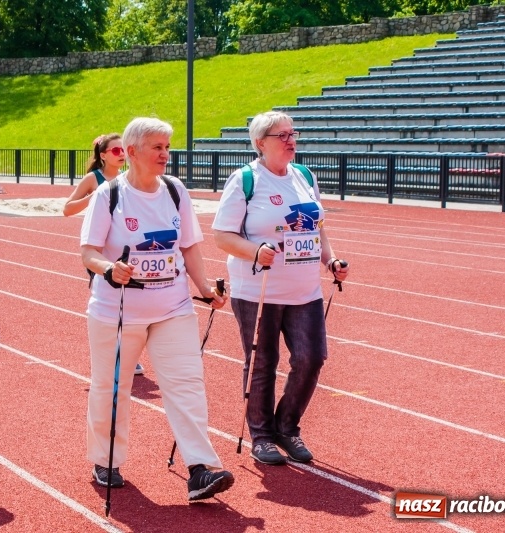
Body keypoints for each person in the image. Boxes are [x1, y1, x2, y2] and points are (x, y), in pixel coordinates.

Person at [80, 117, 235, 501]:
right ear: (132, 152)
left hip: (173, 307)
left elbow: (189, 247)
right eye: (157, 147)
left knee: (187, 385)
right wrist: (109, 268)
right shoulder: (109, 196)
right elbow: (88, 253)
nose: (166, 154)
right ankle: (107, 460)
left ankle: (200, 468)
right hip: (117, 312)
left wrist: (204, 286)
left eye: (168, 146)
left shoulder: (175, 190)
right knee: (112, 387)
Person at [212, 111, 349, 466]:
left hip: (305, 289)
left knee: (311, 358)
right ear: (261, 143)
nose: (291, 140)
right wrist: (256, 251)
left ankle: (287, 426)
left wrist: (331, 260)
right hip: (258, 289)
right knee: (262, 362)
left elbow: (315, 227)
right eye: (282, 135)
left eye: (293, 133)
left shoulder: (304, 176)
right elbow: (222, 236)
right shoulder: (246, 180)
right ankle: (261, 435)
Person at [64, 134, 145, 376]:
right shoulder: (94, 178)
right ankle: (112, 355)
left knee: (131, 302)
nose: (121, 155)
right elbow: (67, 209)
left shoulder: (129, 178)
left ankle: (127, 353)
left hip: (125, 247)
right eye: (115, 151)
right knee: (111, 302)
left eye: (123, 150)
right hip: (99, 249)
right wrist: (95, 195)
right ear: (103, 155)